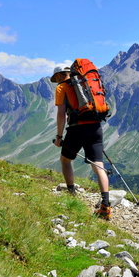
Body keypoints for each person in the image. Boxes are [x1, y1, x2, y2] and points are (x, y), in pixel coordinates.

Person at [51, 65, 112, 220]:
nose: (56, 81)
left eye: (56, 78)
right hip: (96, 127)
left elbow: (61, 114)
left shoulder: (62, 88)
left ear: (59, 75)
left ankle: (71, 193)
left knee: (65, 160)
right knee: (99, 165)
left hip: (76, 129)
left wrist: (59, 136)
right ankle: (106, 205)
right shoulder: (86, 83)